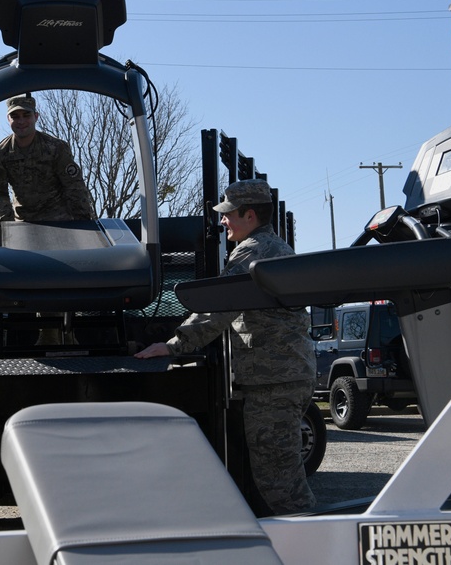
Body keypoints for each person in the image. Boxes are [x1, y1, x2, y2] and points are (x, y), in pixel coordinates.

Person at [135, 179, 317, 515]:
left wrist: (174, 345)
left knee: (280, 484)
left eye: (228, 214)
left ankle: (316, 546)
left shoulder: (254, 252)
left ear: (249, 215)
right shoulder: (270, 247)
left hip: (274, 382)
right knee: (278, 476)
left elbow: (219, 305)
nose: (223, 221)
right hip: (281, 377)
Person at [0, 93, 95, 223]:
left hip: (61, 221)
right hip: (24, 224)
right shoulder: (1, 153)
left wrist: (83, 224)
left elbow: (74, 187)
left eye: (26, 115)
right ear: (8, 119)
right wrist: (7, 226)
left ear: (36, 117)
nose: (21, 121)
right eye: (15, 117)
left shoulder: (56, 148)